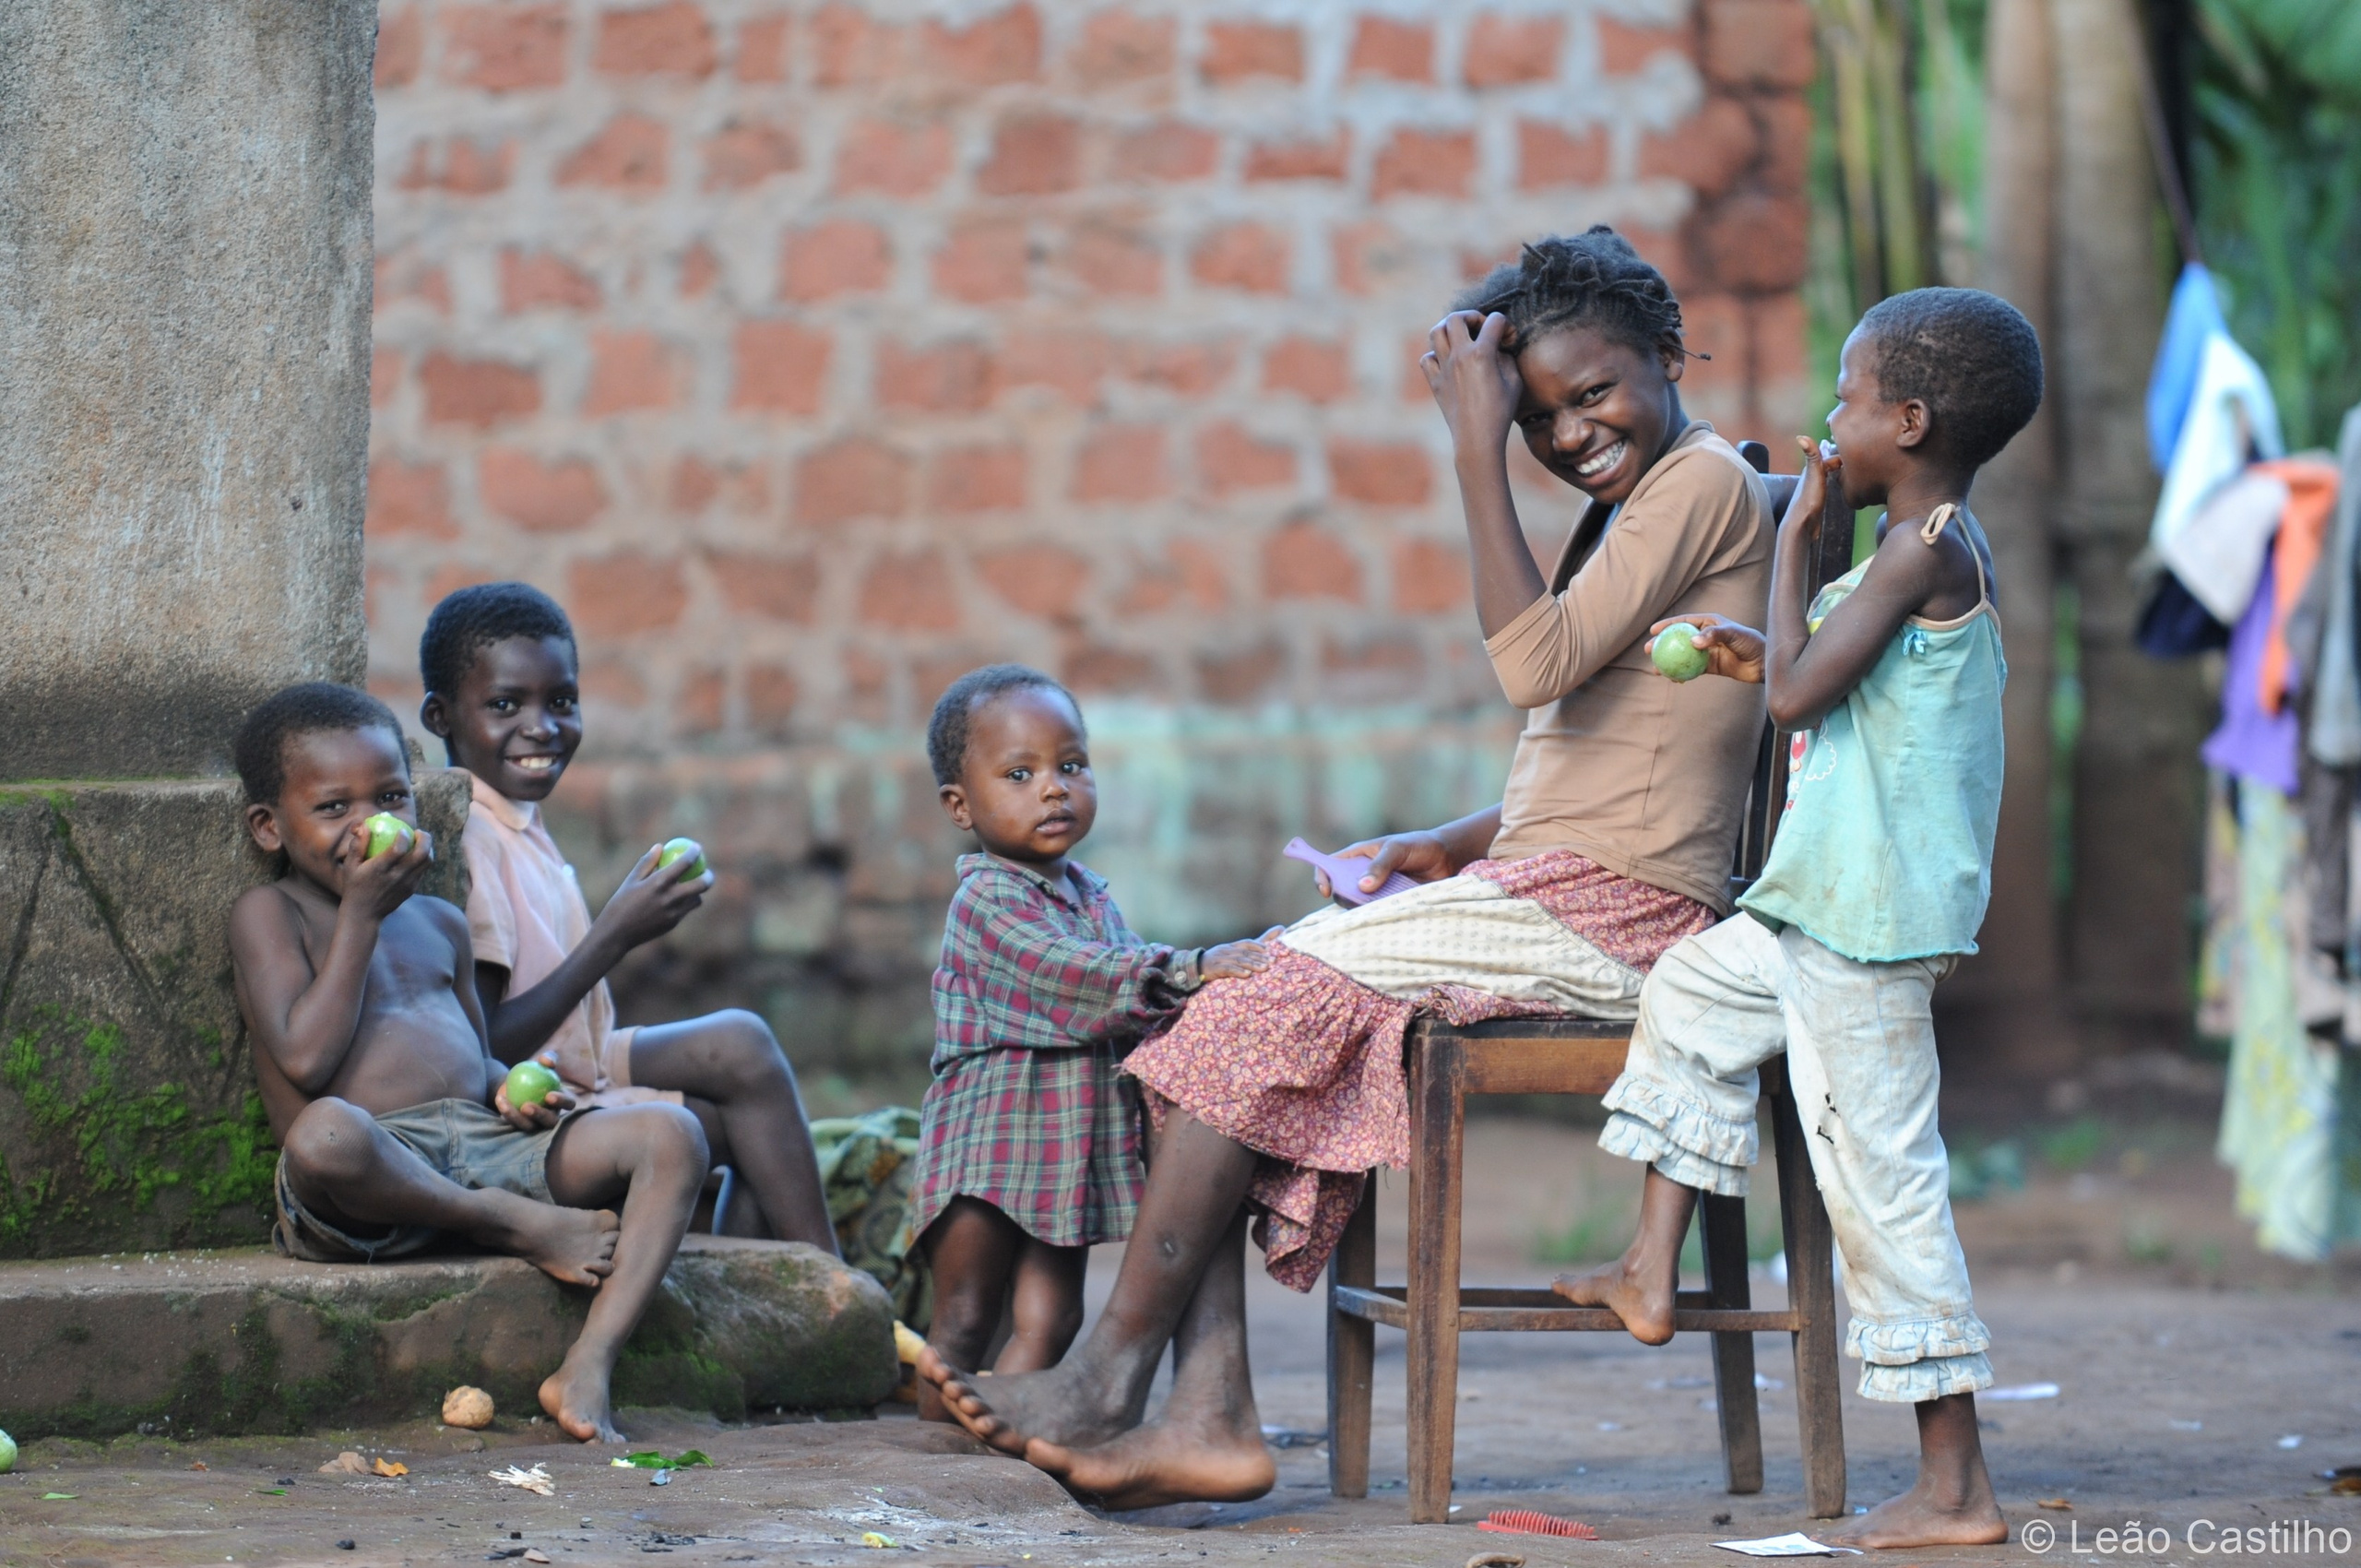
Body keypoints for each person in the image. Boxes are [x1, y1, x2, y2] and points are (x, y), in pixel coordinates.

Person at [920, 227, 1776, 1509]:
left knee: (1243, 1001)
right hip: (1557, 885)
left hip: (1615, 914)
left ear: (1668, 353)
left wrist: (1472, 444)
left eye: (1590, 395)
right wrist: (1450, 842)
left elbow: (1532, 665)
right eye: (1536, 415)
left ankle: (1121, 1381)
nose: (1567, 434)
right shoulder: (1640, 502)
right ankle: (1199, 1410)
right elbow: (1612, 746)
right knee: (1232, 1011)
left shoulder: (1700, 483)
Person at [1554, 286, 2043, 1549]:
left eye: (1847, 398)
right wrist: (1740, 642)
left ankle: (1955, 1486)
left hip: (1865, 930)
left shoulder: (1924, 549)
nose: (1830, 424)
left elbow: (1796, 699)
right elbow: (1814, 679)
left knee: (1882, 1191)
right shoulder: (1914, 549)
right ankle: (1647, 1270)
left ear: (1913, 419)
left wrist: (1789, 540)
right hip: (1811, 910)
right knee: (1690, 993)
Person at [228, 683, 708, 1443]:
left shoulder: (442, 922)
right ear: (268, 827)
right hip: (373, 1174)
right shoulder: (271, 915)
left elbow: (475, 1055)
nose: (370, 823)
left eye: (390, 795)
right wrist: (359, 916)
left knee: (672, 1136)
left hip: (480, 1146)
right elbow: (307, 1061)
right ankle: (509, 1225)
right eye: (333, 808)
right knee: (322, 1134)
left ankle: (589, 1362)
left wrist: (514, 1093)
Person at [416, 583, 836, 1253]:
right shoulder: (473, 840)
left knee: (741, 1042)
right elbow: (488, 1049)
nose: (542, 726)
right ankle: (829, 1286)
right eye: (505, 705)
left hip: (581, 1065)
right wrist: (616, 933)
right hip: (527, 1109)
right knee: (753, 1138)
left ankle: (824, 1283)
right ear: (440, 717)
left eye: (561, 702)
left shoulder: (517, 821)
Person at [908, 665, 1273, 1420]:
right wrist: (1191, 968)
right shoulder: (986, 896)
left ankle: (1003, 1448)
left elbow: (1138, 987)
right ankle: (933, 1454)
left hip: (1064, 1152)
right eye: (1020, 773)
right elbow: (1071, 976)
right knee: (967, 1318)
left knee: (1054, 1320)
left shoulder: (1089, 895)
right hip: (988, 1142)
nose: (1054, 788)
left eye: (1071, 766)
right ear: (959, 804)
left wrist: (1227, 976)